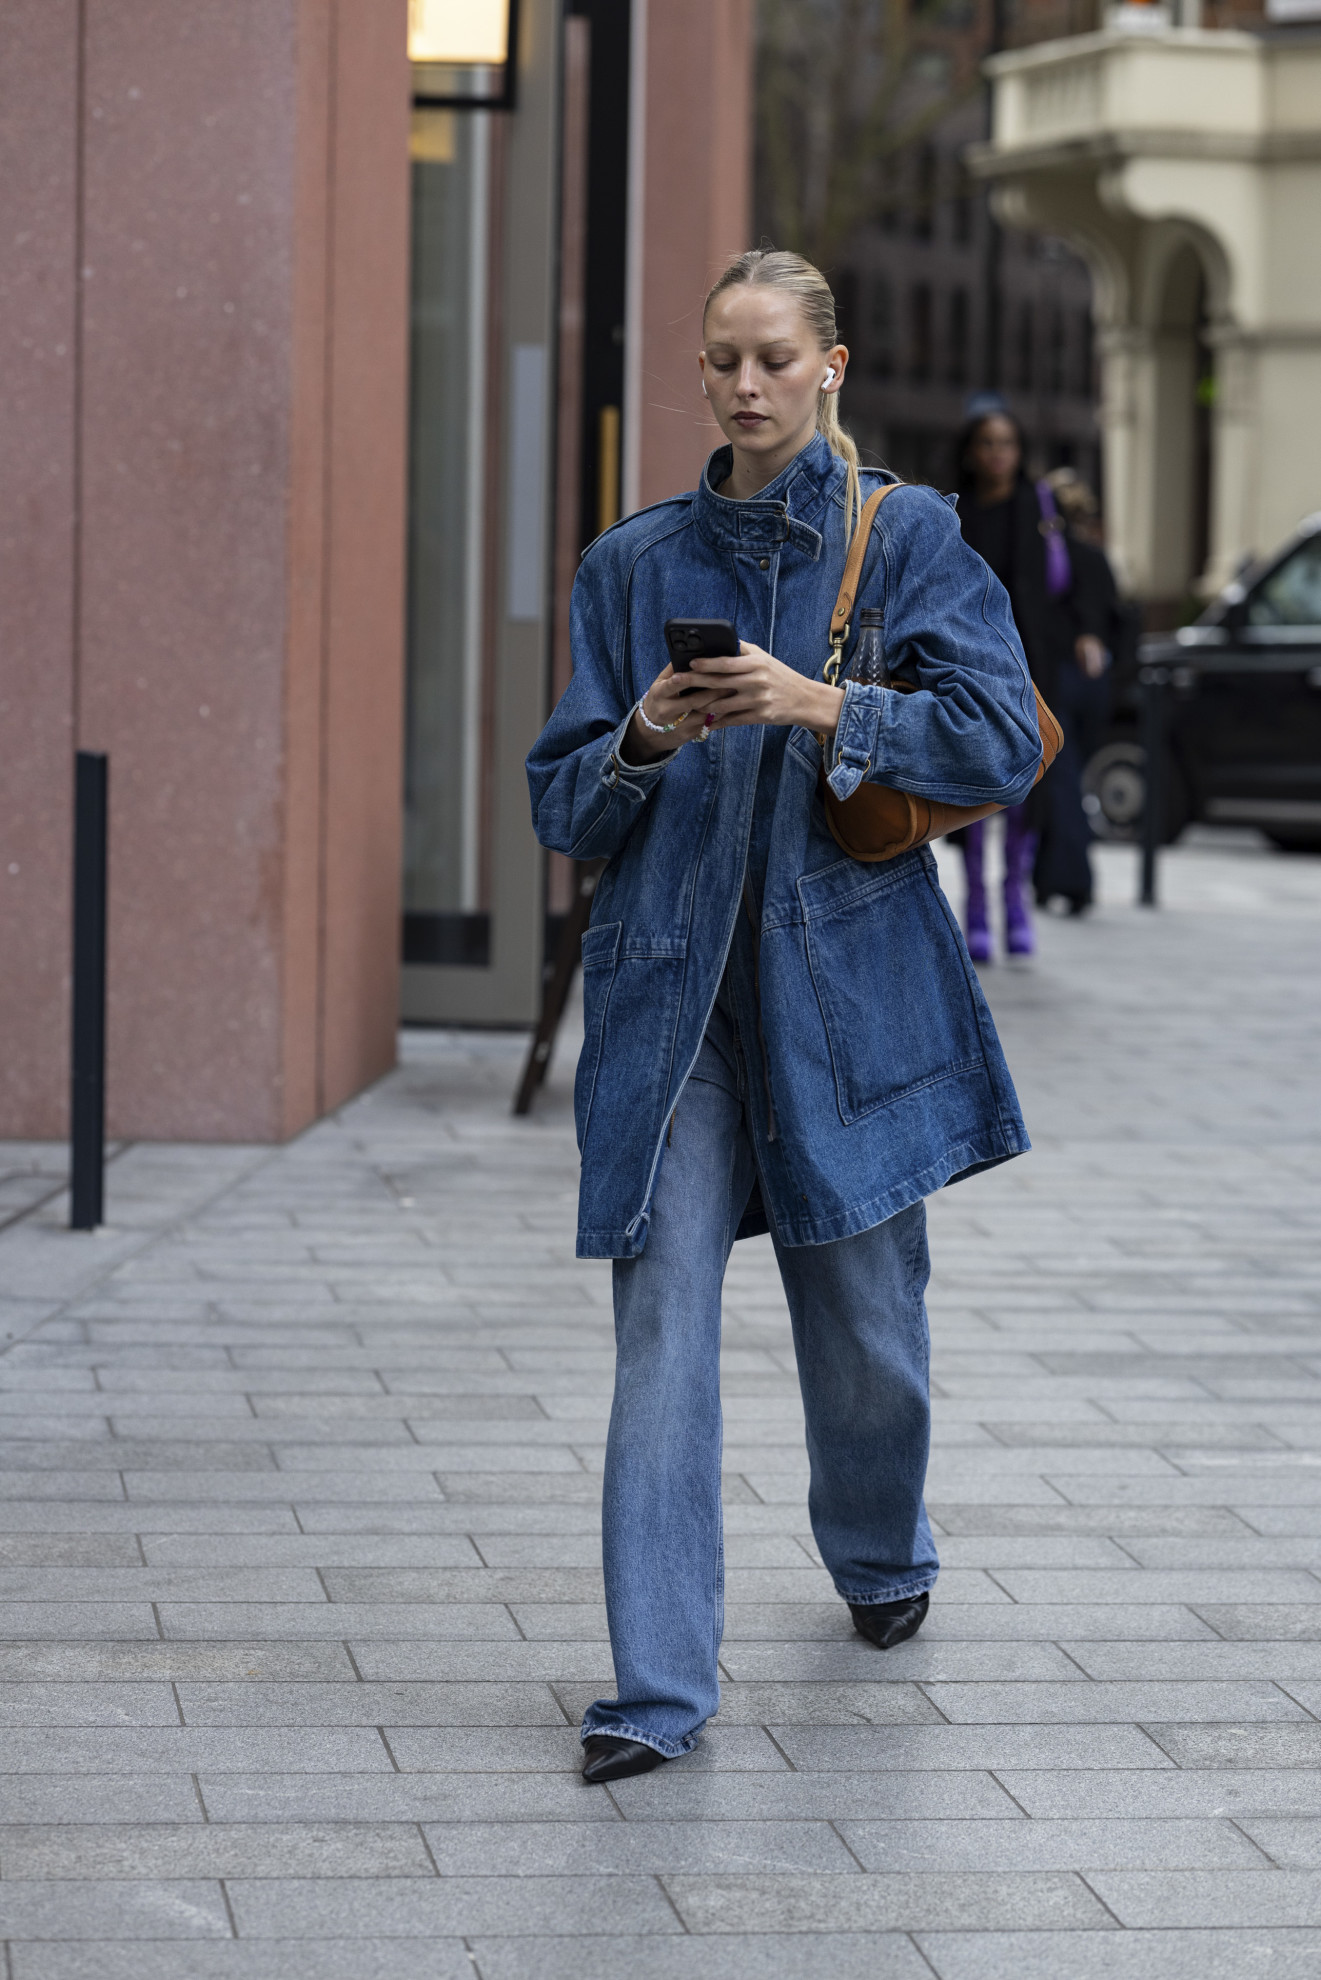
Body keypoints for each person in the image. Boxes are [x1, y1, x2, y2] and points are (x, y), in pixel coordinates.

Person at [526, 249, 1041, 1786]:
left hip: (849, 1005)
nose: (739, 386)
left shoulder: (909, 539)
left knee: (870, 1335)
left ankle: (881, 1554)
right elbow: (563, 804)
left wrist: (826, 705)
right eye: (717, 362)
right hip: (670, 1011)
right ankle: (656, 1692)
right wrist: (639, 730)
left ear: (827, 365)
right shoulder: (632, 568)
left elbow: (1004, 734)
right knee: (663, 1331)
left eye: (768, 359)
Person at [951, 410, 1080, 952]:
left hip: (1031, 662)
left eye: (1007, 443)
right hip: (971, 658)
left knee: (1027, 783)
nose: (998, 453)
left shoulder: (1036, 507)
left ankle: (1015, 901)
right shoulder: (954, 510)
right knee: (977, 781)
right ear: (971, 450)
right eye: (987, 443)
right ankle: (977, 906)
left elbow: (1061, 583)